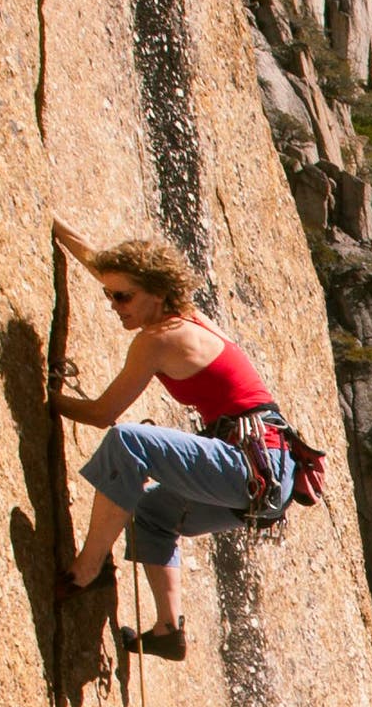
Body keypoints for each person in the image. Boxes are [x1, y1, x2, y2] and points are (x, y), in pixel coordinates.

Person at [50, 222, 291, 661]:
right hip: (268, 478)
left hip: (248, 465)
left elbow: (105, 415)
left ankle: (86, 569)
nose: (113, 306)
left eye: (122, 298)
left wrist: (49, 400)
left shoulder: (158, 340)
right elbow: (109, 269)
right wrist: (60, 230)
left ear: (156, 295)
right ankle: (167, 629)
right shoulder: (185, 314)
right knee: (150, 514)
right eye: (109, 296)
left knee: (128, 442)